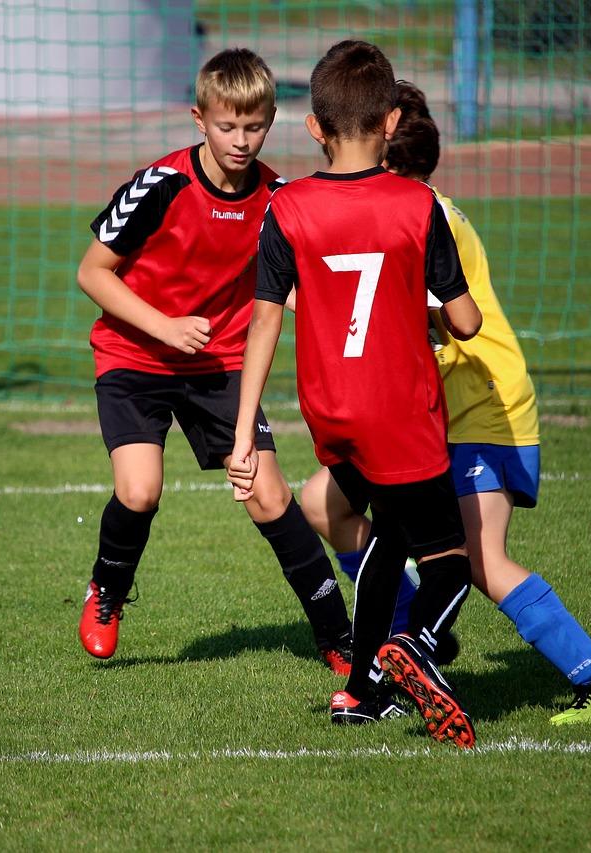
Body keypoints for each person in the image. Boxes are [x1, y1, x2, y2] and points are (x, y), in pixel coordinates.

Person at [297, 80, 591, 726]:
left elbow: (449, 319)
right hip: (420, 414)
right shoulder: (391, 211)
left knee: (480, 560)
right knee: (325, 499)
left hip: (481, 407)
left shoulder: (425, 216)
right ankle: (413, 641)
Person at [228, 40, 483, 747]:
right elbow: (465, 319)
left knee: (389, 536)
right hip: (403, 411)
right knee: (451, 561)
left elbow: (264, 322)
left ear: (312, 126)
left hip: (332, 412)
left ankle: (360, 689)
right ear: (393, 120)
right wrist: (429, 312)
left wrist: (244, 433)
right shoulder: (416, 203)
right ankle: (420, 647)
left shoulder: (287, 208)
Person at [75, 48, 353, 675]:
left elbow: (316, 285)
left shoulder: (281, 199)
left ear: (271, 121)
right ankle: (108, 593)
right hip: (135, 354)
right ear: (199, 119)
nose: (241, 140)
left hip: (221, 366)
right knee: (140, 491)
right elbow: (92, 272)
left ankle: (340, 638)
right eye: (227, 126)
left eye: (254, 127)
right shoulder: (160, 186)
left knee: (267, 493)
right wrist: (165, 328)